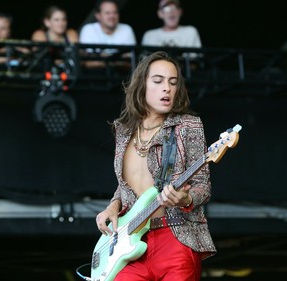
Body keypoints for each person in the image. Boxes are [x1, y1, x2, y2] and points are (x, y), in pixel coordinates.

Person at [95, 51, 216, 281]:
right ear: (142, 85)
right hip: (130, 243)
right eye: (158, 81)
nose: (166, 88)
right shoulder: (124, 129)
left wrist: (185, 199)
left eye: (172, 82)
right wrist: (112, 206)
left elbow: (203, 187)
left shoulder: (188, 125)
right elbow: (125, 185)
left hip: (175, 237)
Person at [79, 0, 136, 68]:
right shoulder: (88, 29)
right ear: (98, 15)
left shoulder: (127, 29)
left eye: (115, 12)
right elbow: (88, 62)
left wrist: (101, 58)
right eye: (107, 13)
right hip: (94, 75)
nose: (112, 16)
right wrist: (117, 60)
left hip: (122, 76)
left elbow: (130, 62)